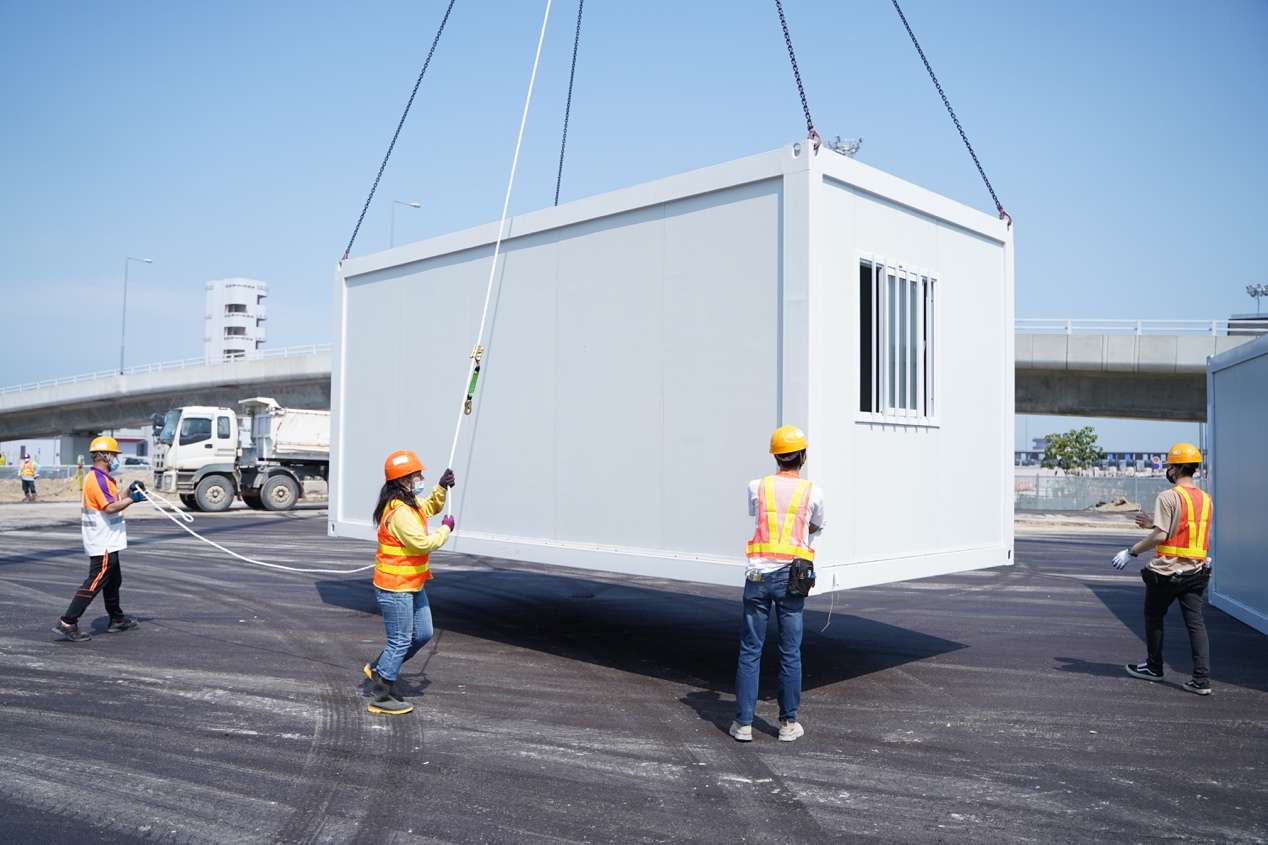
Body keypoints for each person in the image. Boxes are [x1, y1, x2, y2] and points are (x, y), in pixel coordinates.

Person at [731, 425, 825, 742]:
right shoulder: (813, 492)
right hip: (791, 578)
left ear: (775, 456)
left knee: (750, 650)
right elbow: (816, 524)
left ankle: (743, 724)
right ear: (804, 456)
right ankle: (787, 724)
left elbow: (757, 516)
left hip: (757, 574)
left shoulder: (756, 486)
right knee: (789, 653)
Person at [1113, 442, 1213, 695]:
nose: (1168, 470)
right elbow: (1183, 529)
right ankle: (1201, 680)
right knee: (1195, 623)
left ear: (1177, 469)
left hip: (1167, 572)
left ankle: (1154, 667)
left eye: (1170, 466)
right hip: (1196, 571)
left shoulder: (1169, 496)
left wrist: (1131, 551)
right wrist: (1153, 525)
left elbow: (1162, 536)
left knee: (1154, 616)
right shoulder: (1205, 498)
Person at [363, 450, 457, 715]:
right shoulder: (400, 511)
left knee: (423, 633)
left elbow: (428, 508)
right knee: (400, 640)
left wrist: (440, 488)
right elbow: (421, 544)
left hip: (411, 584)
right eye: (417, 474)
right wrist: (446, 529)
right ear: (403, 479)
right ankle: (380, 696)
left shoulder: (408, 503)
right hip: (395, 587)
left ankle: (379, 668)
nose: (421, 477)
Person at [52, 436, 146, 642]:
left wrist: (129, 491)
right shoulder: (97, 479)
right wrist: (133, 500)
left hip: (108, 539)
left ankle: (117, 619)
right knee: (95, 581)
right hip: (102, 540)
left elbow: (113, 499)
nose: (115, 458)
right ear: (104, 456)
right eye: (113, 454)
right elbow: (110, 507)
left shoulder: (102, 477)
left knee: (113, 580)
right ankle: (67, 622)